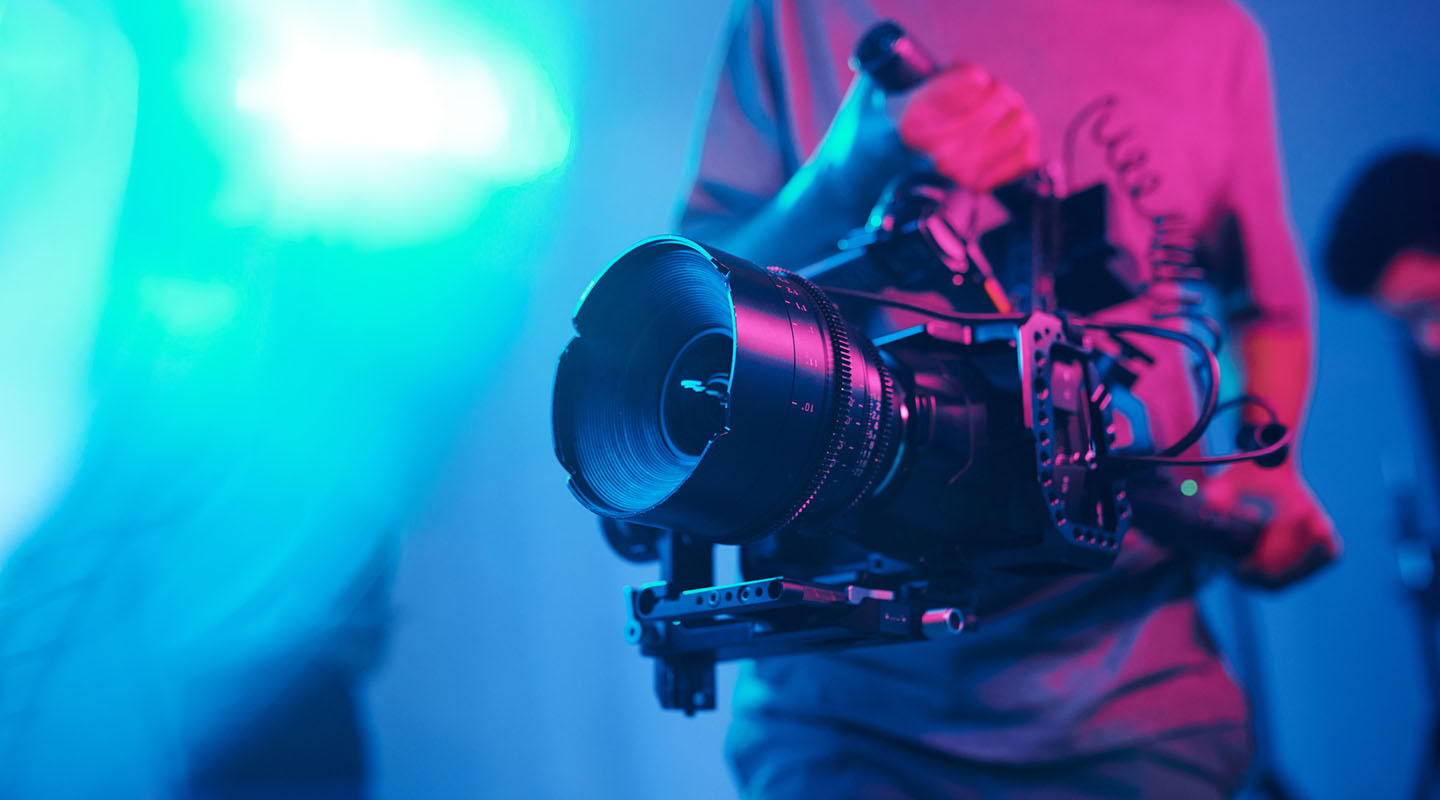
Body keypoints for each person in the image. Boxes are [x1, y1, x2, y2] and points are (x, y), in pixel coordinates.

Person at [676, 1, 1339, 796]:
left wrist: (1273, 465)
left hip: (1136, 714)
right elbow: (693, 312)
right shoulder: (793, 16)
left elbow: (1270, 308)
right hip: (848, 719)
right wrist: (843, 178)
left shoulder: (1213, 33)